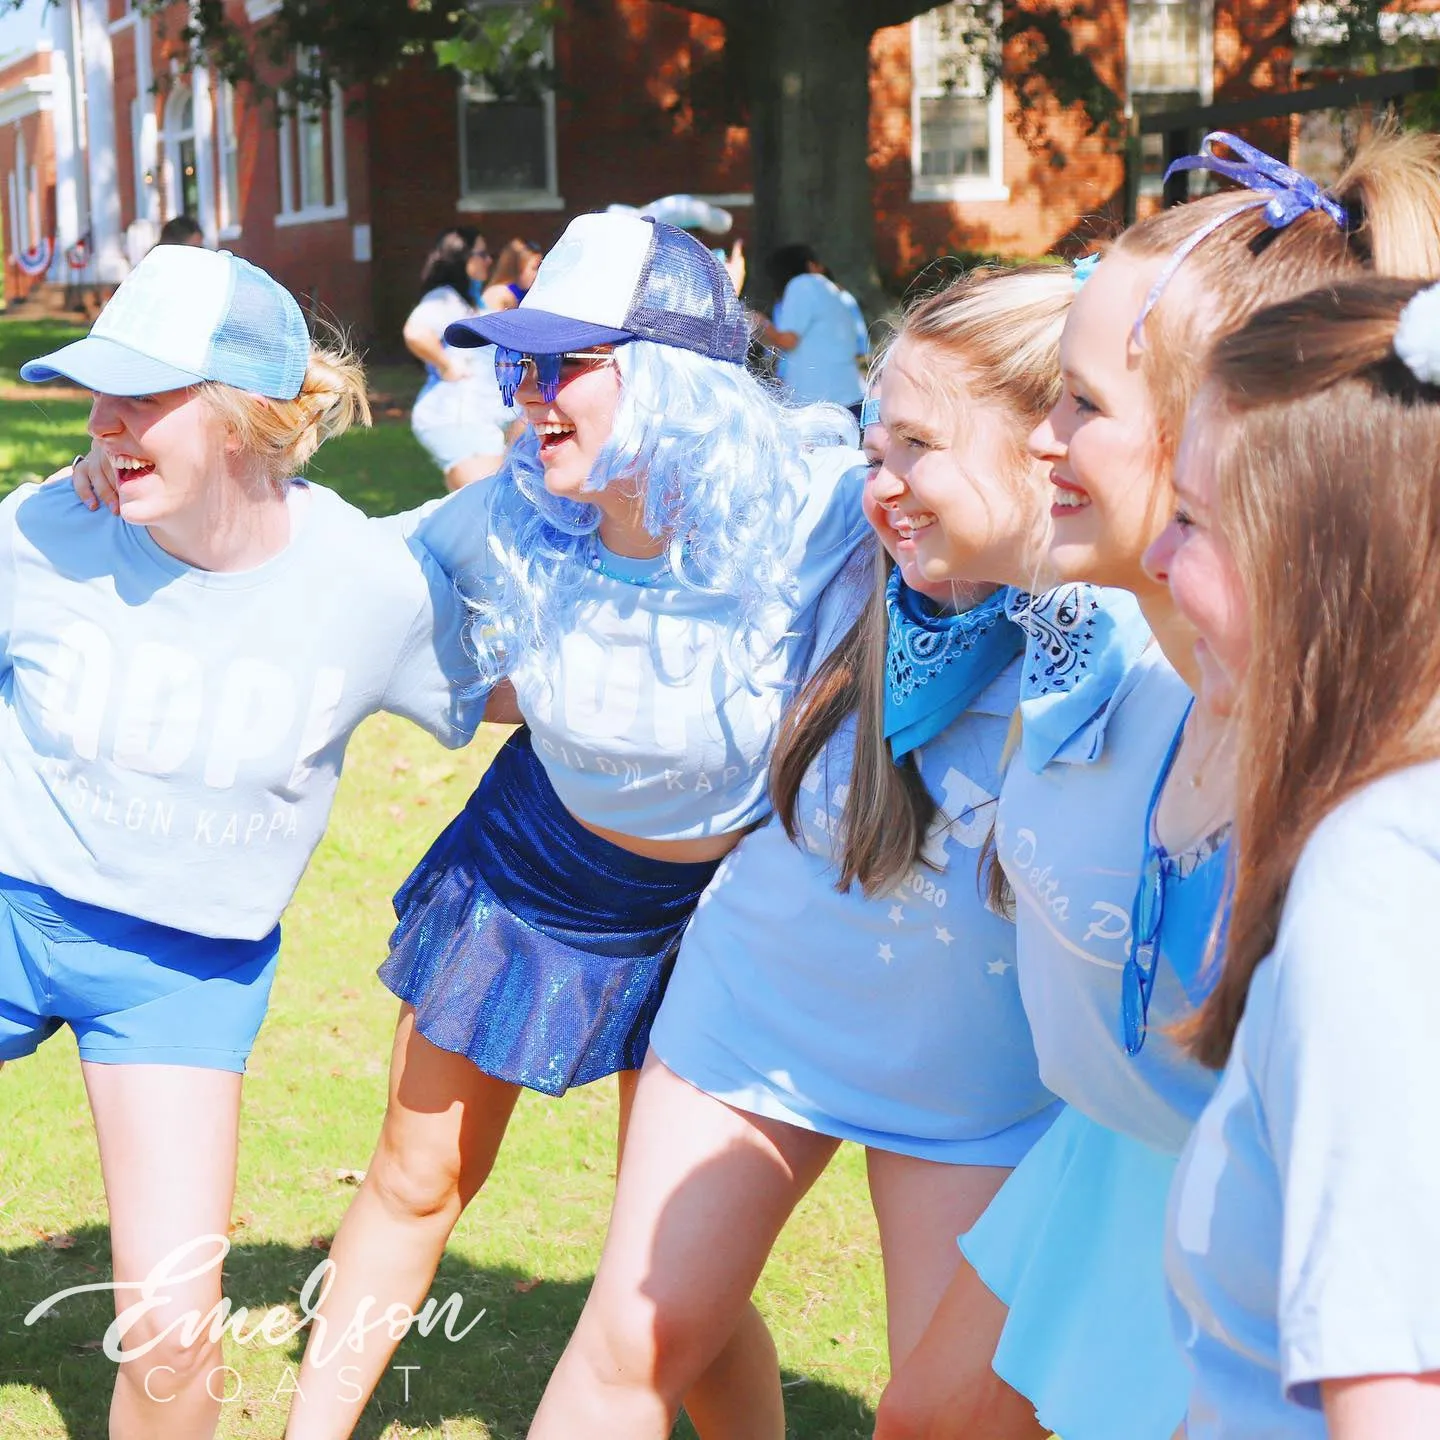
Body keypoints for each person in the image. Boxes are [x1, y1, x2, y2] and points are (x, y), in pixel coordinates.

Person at [280, 211, 870, 1439]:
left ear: (666, 378)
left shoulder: (819, 519)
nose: (529, 397)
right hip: (530, 874)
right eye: (519, 365)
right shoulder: (508, 517)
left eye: (565, 366)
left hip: (717, 917)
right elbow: (324, 585)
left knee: (670, 1258)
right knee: (417, 1174)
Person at [528, 265, 1086, 1440]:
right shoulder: (843, 537)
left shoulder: (1140, 635)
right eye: (874, 446)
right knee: (631, 1342)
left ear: (1053, 450)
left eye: (916, 450)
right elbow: (675, 468)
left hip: (985, 1087)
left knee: (941, 1422)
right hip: (757, 1014)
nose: (879, 487)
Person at [958, 128, 1440, 1440]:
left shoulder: (1368, 855)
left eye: (1081, 404)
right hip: (1153, 1182)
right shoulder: (1135, 652)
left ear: (1215, 435)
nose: (1040, 441)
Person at [3, 242, 482, 1440]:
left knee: (169, 1326)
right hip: (12, 909)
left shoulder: (371, 586)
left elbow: (537, 696)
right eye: (97, 396)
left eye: (142, 400)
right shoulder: (42, 531)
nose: (104, 429)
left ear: (241, 419)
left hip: (180, 975)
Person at [1164, 275, 1440, 1440]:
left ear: (1319, 568)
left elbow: (1393, 1399)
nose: (1153, 551)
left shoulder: (1380, 882)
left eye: (1191, 519)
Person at [403, 227, 517, 489]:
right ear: (462, 258)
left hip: (473, 420)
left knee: (482, 506)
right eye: (482, 254)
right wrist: (447, 365)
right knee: (487, 504)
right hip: (457, 418)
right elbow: (416, 332)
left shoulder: (467, 301)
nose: (489, 260)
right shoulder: (444, 297)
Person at [753, 243, 868, 415]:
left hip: (824, 402)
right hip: (846, 396)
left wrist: (759, 322)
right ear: (810, 264)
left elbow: (788, 340)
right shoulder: (832, 290)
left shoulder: (803, 285)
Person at [481, 237, 543, 312]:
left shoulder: (530, 295)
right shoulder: (500, 294)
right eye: (535, 268)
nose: (538, 273)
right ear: (519, 267)